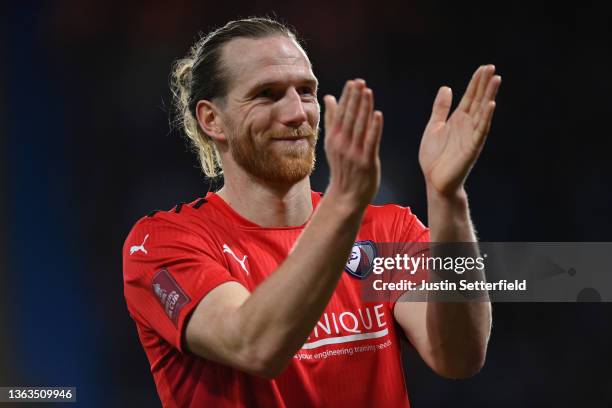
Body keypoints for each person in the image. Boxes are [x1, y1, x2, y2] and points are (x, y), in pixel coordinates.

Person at [123, 17, 501, 408]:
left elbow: (458, 356)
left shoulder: (387, 229)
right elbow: (253, 345)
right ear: (212, 119)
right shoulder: (164, 243)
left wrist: (447, 198)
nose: (296, 113)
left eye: (305, 91)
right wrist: (343, 204)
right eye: (267, 94)